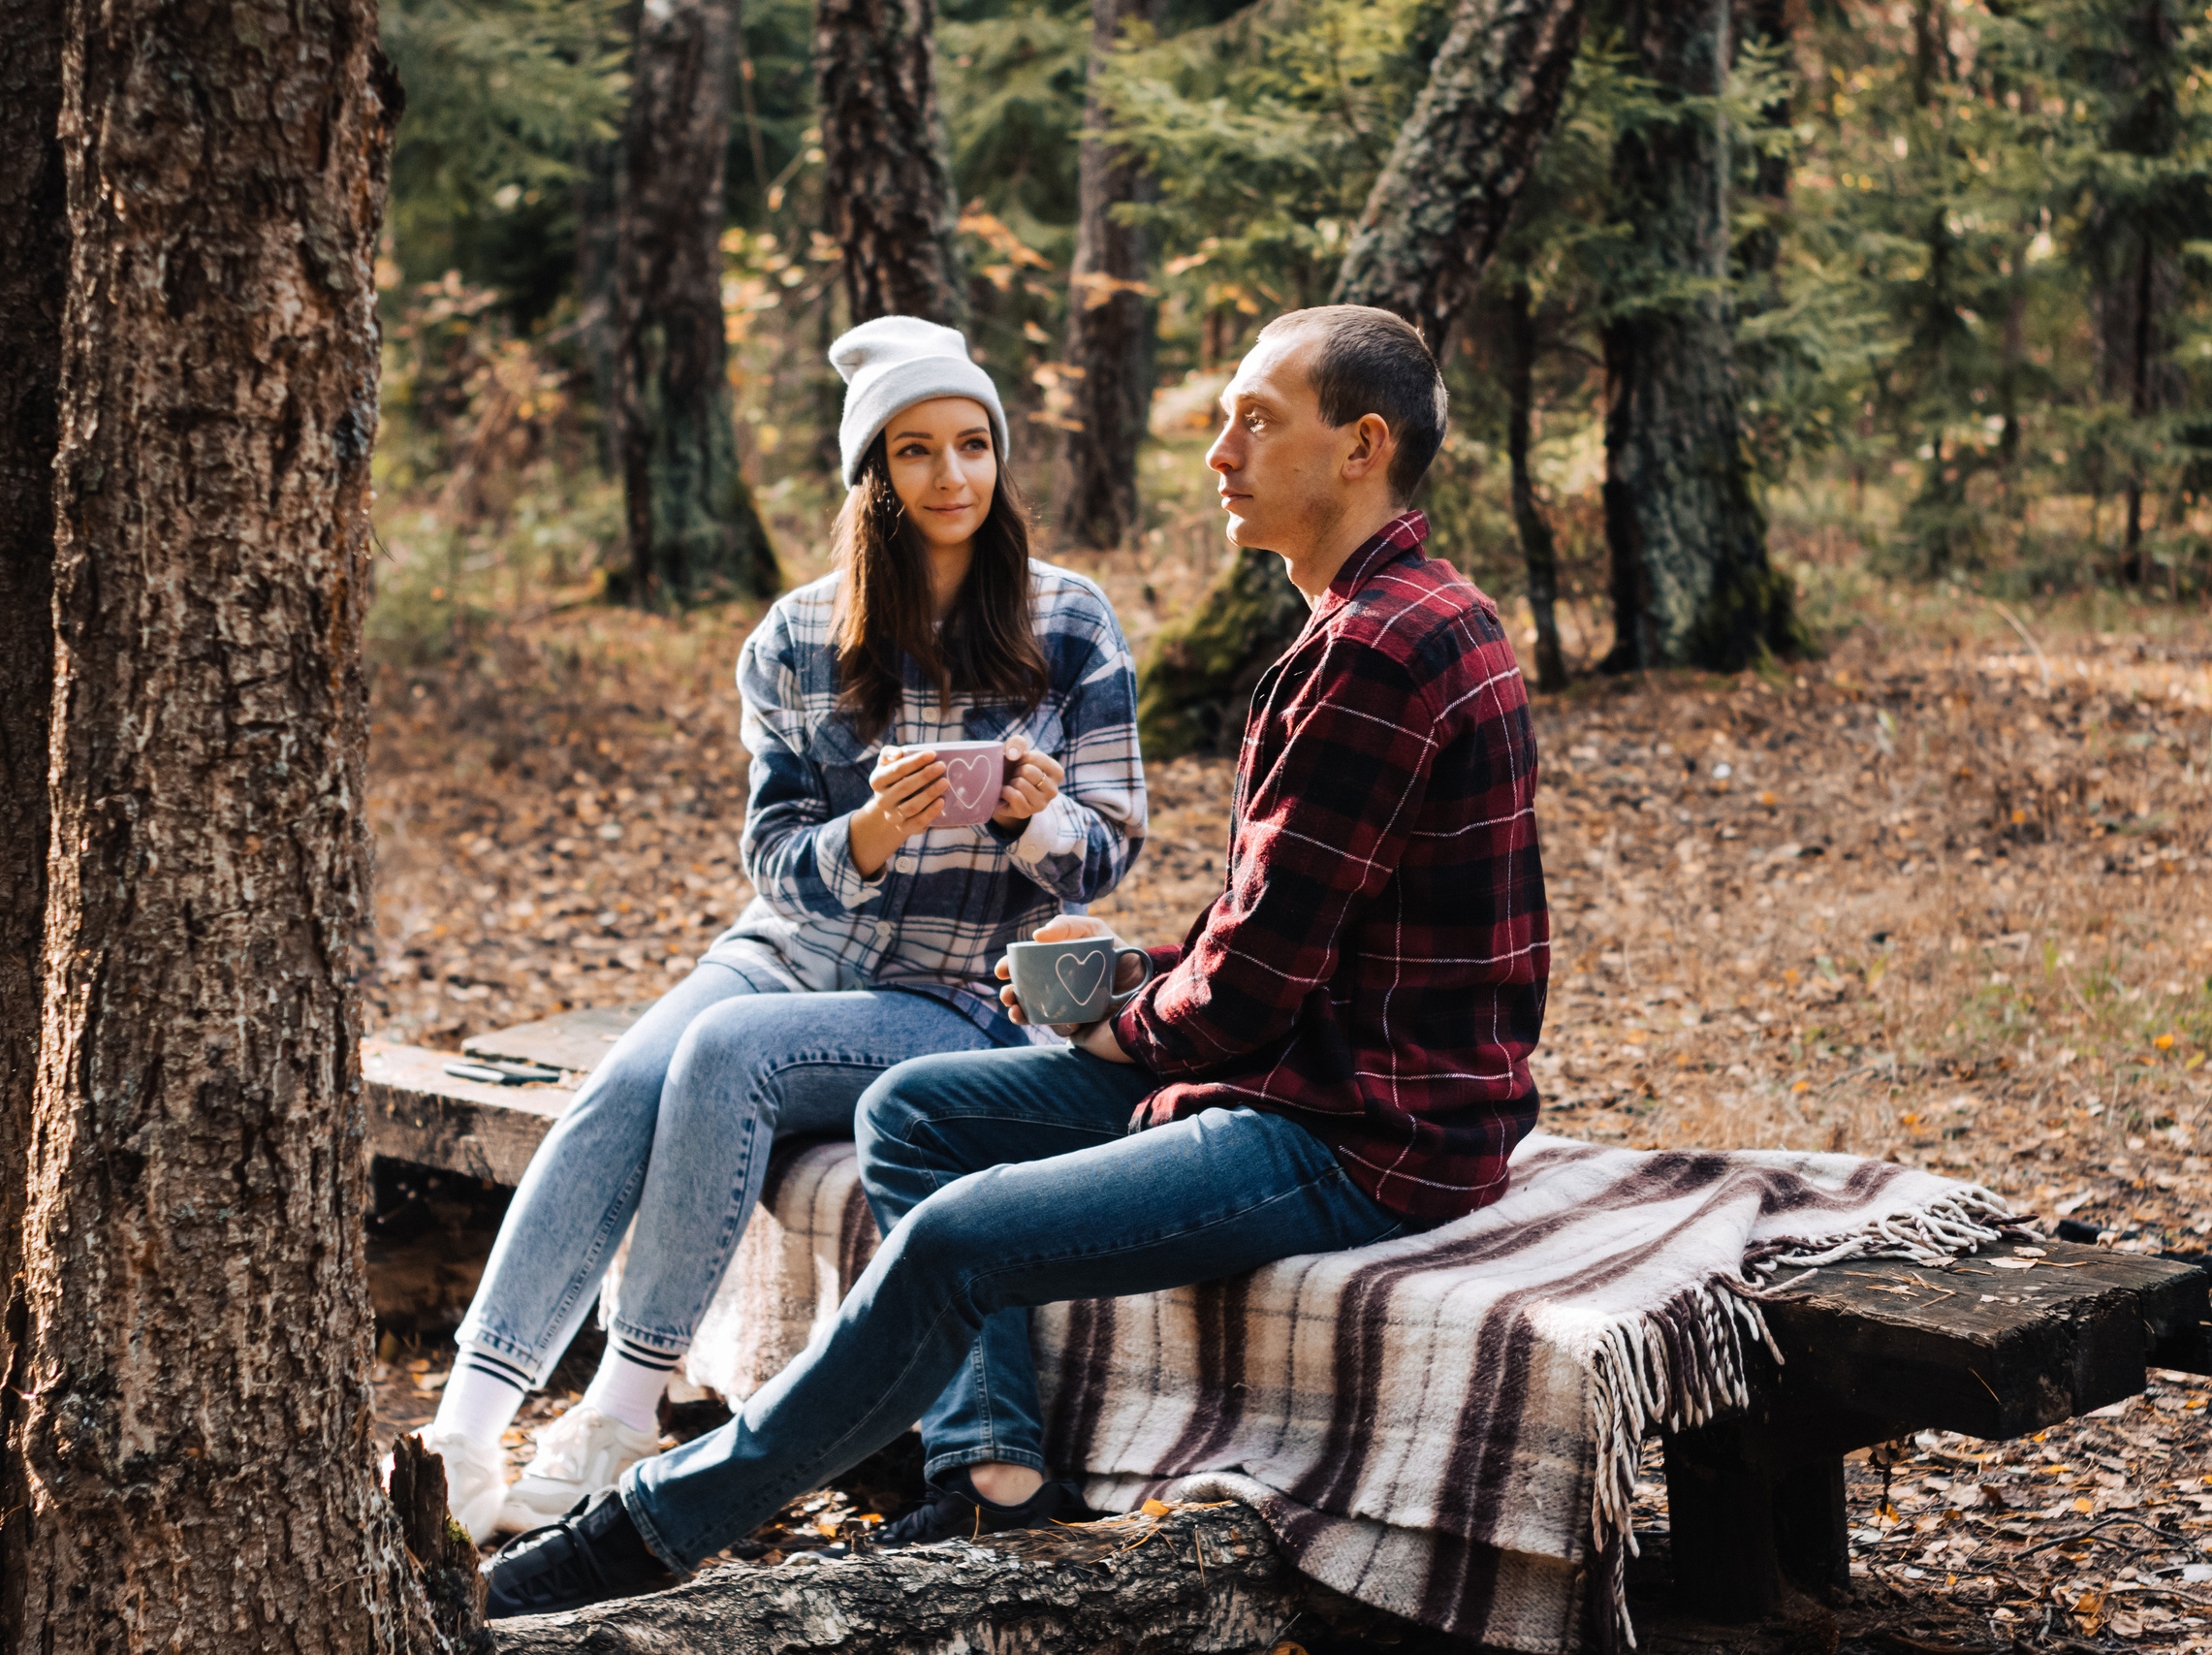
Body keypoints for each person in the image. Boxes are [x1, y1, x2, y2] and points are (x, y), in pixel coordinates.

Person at [479, 304, 1548, 1616]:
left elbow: (1257, 982)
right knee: (916, 1108)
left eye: (1255, 419)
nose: (1218, 450)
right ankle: (990, 1472)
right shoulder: (1370, 623)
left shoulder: (1376, 649)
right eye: (1222, 416)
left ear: (1363, 446)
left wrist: (1118, 1022)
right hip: (1309, 1059)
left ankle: (642, 1528)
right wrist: (1128, 976)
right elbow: (1282, 931)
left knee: (956, 1240)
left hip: (1359, 1126)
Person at [419, 316, 1146, 1541]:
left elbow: (1114, 841)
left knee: (726, 1055)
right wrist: (865, 836)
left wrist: (1033, 823)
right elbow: (771, 856)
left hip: (957, 993)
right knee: (624, 1083)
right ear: (875, 475)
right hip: (783, 951)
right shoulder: (800, 635)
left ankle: (619, 1412)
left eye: (973, 445)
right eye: (917, 452)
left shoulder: (1068, 620)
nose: (953, 476)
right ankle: (463, 1426)